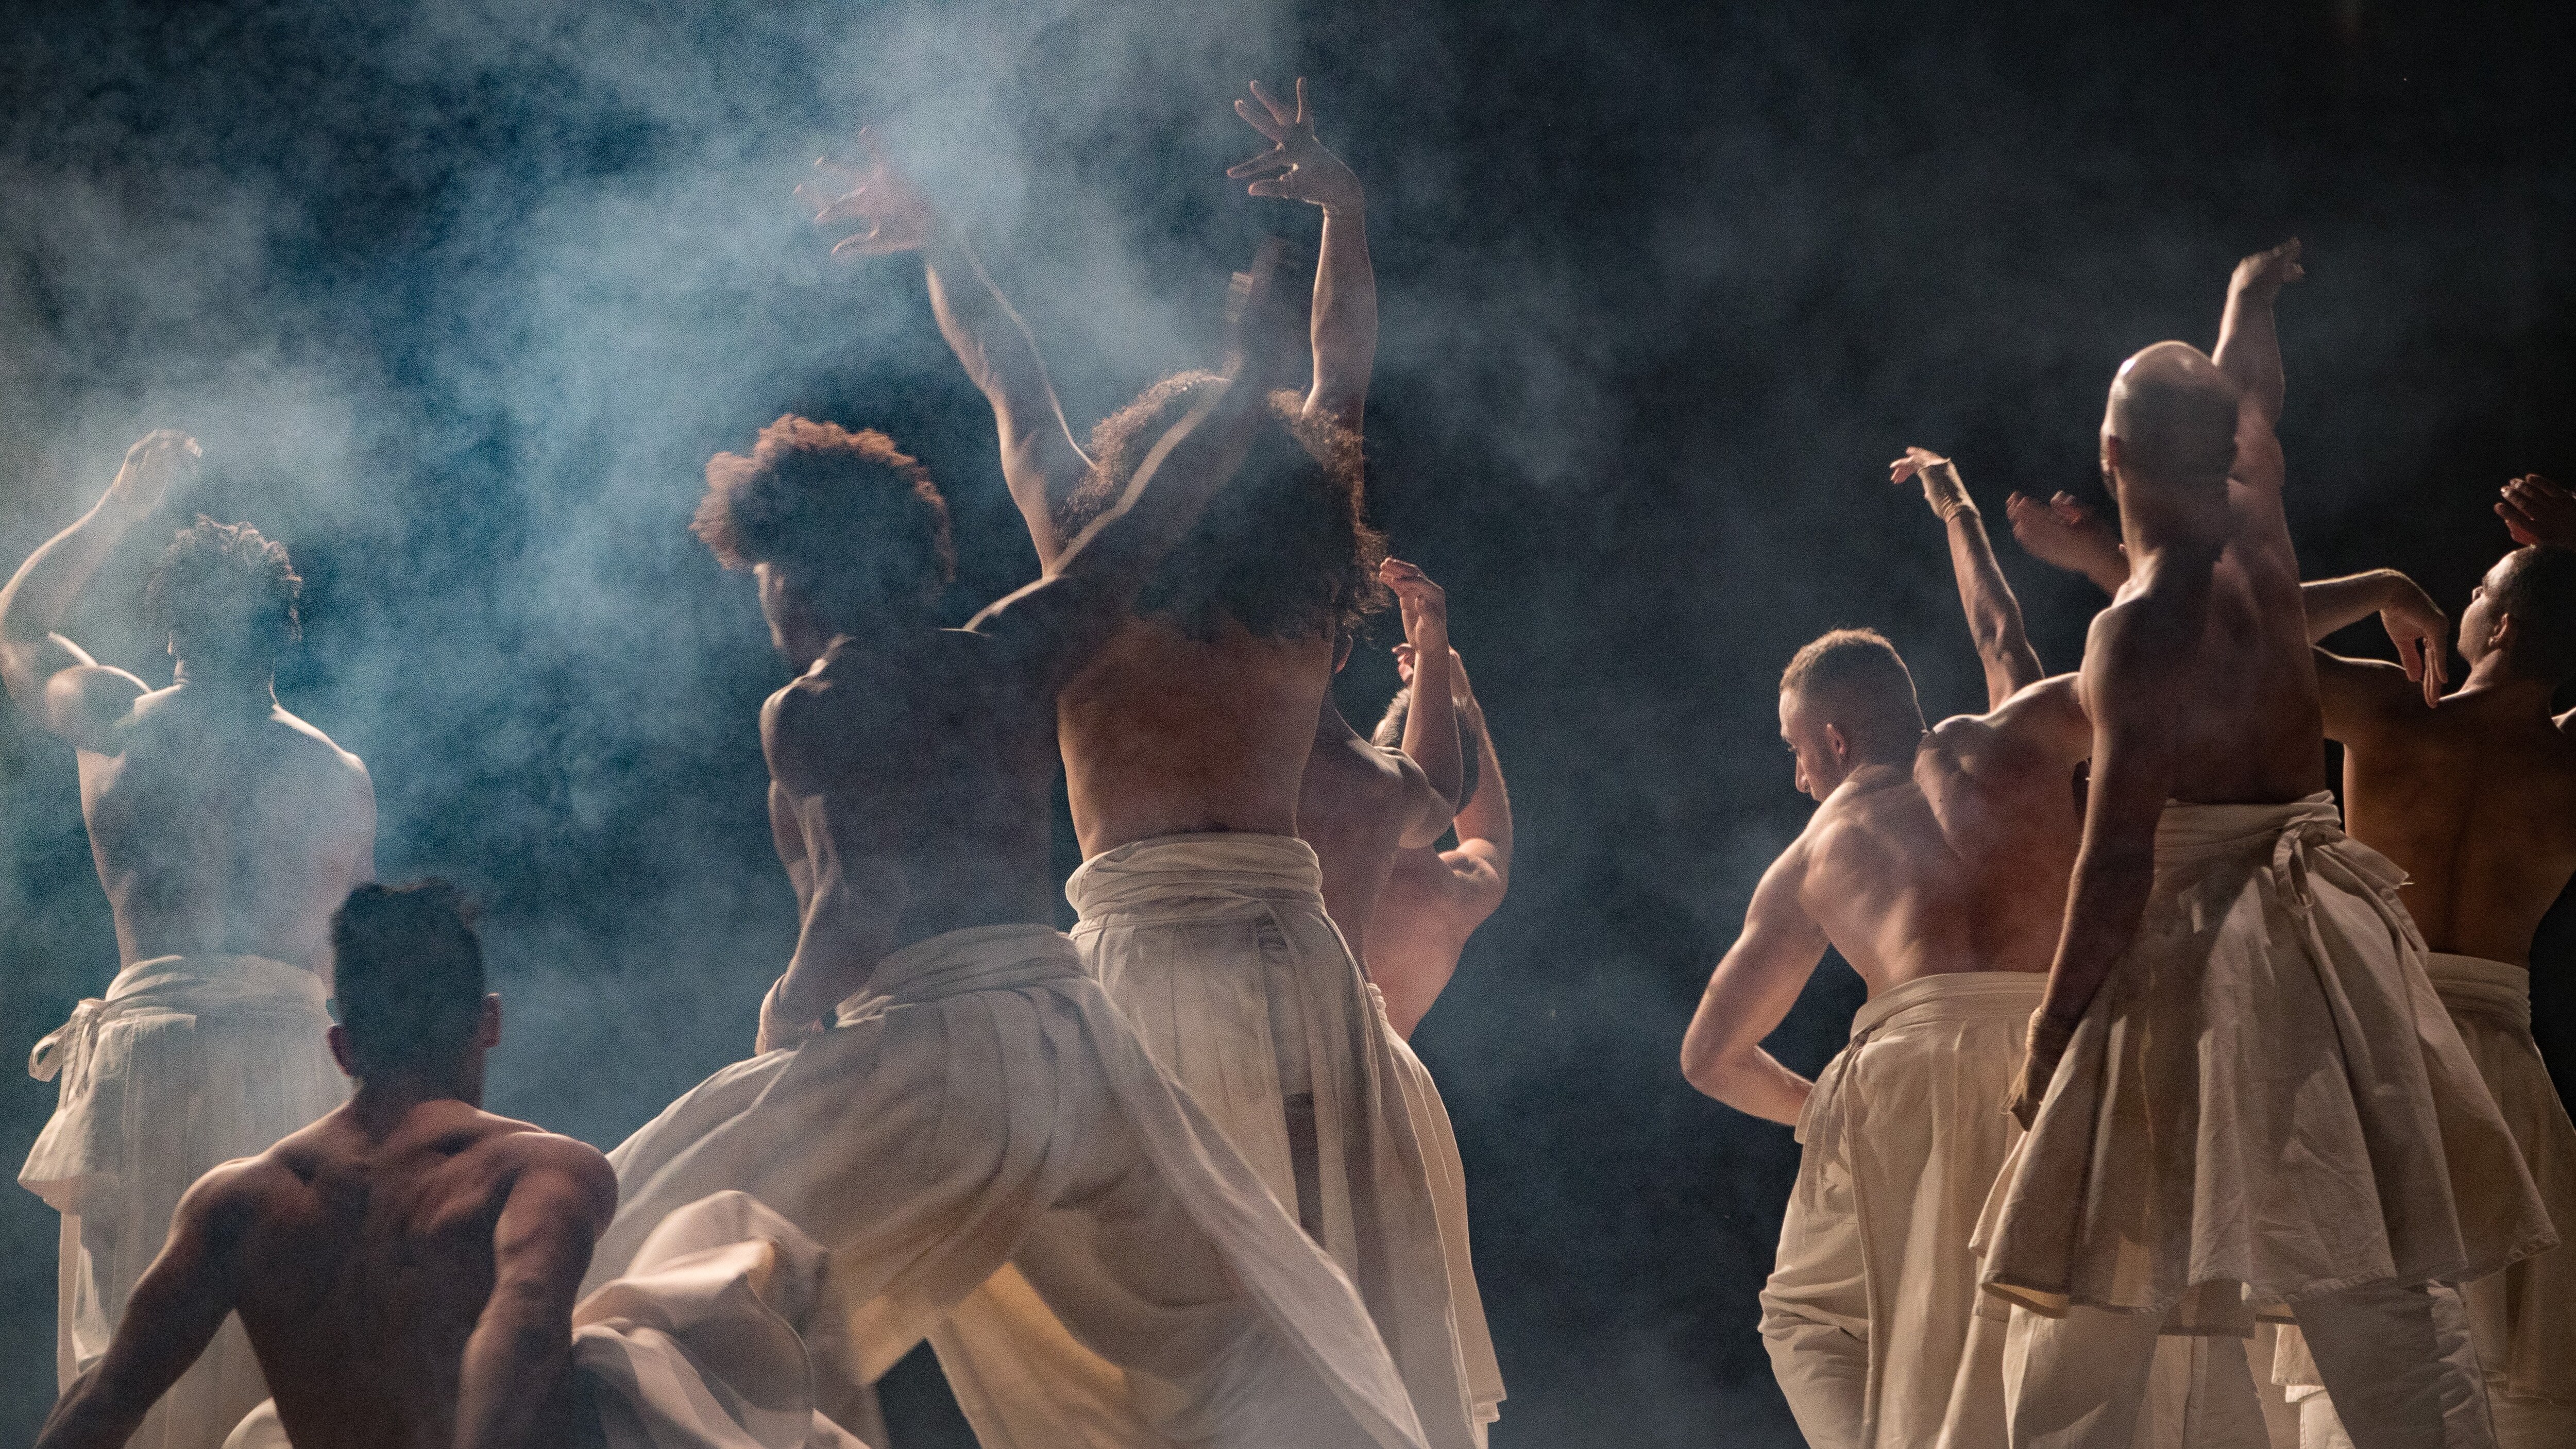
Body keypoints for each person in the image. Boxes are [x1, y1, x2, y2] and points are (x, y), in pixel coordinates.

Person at [587, 235, 1431, 1449]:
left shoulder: (810, 708)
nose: (763, 601)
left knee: (641, 1249)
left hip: (934, 1045)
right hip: (1079, 1042)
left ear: (804, 577)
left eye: (767, 573)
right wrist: (1249, 379)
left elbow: (854, 900)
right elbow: (1150, 517)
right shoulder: (1012, 648)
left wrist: (787, 1014)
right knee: (1242, 1319)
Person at [825, 97, 1493, 1448]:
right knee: (1320, 1296)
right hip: (1285, 965)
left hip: (1140, 967)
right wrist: (1344, 209)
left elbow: (1011, 375)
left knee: (1163, 1327)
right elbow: (1338, 374)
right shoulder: (1305, 589)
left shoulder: (1087, 555)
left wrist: (940, 239)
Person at [1976, 240, 2553, 1449]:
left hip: (2201, 931)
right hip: (2320, 934)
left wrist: (2051, 1025)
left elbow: (2120, 845)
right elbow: (2254, 393)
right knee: (2373, 1272)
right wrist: (2248, 301)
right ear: (2232, 446)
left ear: (2111, 454)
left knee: (2103, 1261)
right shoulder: (2261, 525)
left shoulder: (2133, 628)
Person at [35, 882, 869, 1449]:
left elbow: (107, 1399)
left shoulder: (237, 1203)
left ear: (340, 1044)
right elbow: (528, 1314)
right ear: (490, 1020)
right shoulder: (541, 1170)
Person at [1678, 443, 2096, 1449]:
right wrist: (1958, 511)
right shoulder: (2012, 741)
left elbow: (1709, 1055)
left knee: (1813, 1314)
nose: (1796, 779)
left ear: (1827, 736)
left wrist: (1817, 1111)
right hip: (2065, 1054)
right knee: (2065, 1321)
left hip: (1906, 1072)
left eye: (1793, 750)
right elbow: (2004, 635)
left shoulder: (1815, 849)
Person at [1, 432, 376, 1449]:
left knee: (131, 1350)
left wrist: (120, 504)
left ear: (168, 628)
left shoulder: (118, 721)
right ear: (282, 634)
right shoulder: (335, 773)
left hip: (152, 1059)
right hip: (293, 1064)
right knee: (280, 1354)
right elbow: (351, 963)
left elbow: (23, 623)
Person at [2246, 546, 2576, 1446]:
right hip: (2505, 1078)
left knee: (2369, 1377)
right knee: (2505, 1391)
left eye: (2477, 591)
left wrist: (2386, 589)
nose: (2461, 600)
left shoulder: (2394, 711)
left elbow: (2241, 634)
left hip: (2389, 1059)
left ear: (2502, 624)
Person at [1362, 642, 1511, 1041]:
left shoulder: (1324, 863)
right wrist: (1457, 698)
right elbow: (1488, 834)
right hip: (1385, 1099)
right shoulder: (1453, 895)